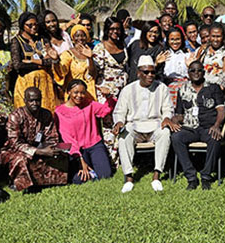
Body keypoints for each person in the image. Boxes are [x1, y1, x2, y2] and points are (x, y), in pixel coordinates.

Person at [113, 56, 174, 192]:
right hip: (134, 126)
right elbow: (120, 111)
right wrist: (119, 122)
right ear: (138, 73)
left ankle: (157, 175)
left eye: (152, 72)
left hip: (155, 125)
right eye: (146, 72)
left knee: (165, 132)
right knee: (124, 134)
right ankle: (128, 177)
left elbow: (168, 109)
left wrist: (167, 118)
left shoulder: (162, 88)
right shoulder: (128, 89)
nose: (150, 75)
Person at [0, 87, 69, 191]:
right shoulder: (16, 116)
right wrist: (39, 152)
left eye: (37, 100)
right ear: (25, 101)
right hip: (13, 150)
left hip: (40, 147)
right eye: (31, 100)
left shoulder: (46, 114)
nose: (35, 103)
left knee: (63, 150)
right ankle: (22, 184)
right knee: (21, 159)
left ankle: (52, 182)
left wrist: (51, 148)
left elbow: (51, 136)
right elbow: (15, 143)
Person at [171, 61, 225, 189]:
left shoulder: (213, 88)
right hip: (189, 128)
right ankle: (191, 177)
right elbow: (180, 113)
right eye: (193, 71)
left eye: (199, 70)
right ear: (188, 73)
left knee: (215, 138)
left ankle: (206, 176)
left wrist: (217, 125)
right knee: (176, 138)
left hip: (208, 127)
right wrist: (174, 121)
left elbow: (221, 109)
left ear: (204, 72)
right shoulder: (183, 89)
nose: (196, 73)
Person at [55, 80, 114, 184]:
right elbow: (66, 138)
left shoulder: (89, 104)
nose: (79, 96)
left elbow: (106, 110)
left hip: (95, 145)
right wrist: (80, 159)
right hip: (77, 150)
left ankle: (94, 172)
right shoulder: (60, 112)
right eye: (76, 92)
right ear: (68, 92)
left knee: (106, 175)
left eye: (82, 93)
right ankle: (92, 173)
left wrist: (109, 96)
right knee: (77, 179)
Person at [92, 17, 129, 166]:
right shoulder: (100, 48)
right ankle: (110, 161)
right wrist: (101, 89)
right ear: (107, 30)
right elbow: (94, 72)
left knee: (121, 122)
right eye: (112, 29)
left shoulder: (123, 44)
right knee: (108, 125)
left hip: (122, 89)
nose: (115, 32)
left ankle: (121, 156)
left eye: (118, 29)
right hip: (106, 89)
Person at [10, 12, 60, 113]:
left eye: (36, 25)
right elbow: (18, 65)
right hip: (26, 82)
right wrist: (40, 64)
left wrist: (32, 61)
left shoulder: (42, 39)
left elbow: (52, 60)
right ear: (22, 25)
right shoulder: (16, 41)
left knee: (47, 110)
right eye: (30, 25)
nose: (34, 27)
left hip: (45, 82)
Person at [58, 24, 97, 101]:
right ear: (73, 38)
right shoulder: (68, 54)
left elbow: (93, 74)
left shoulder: (90, 52)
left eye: (83, 36)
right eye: (77, 36)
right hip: (74, 94)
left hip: (89, 93)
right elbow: (62, 71)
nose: (80, 38)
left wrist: (90, 58)